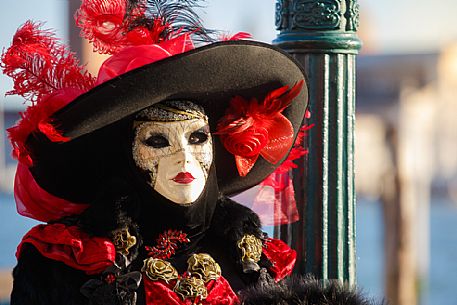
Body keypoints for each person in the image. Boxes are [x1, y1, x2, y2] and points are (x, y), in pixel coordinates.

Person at [2, 1, 385, 304]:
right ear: (126, 157)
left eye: (198, 138)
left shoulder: (252, 257)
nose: (184, 158)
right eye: (157, 141)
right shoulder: (69, 261)